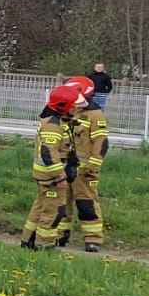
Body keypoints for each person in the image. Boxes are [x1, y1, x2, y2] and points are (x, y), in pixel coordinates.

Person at [21, 85, 80, 251]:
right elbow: (49, 152)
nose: (76, 108)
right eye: (73, 105)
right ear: (64, 106)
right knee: (54, 211)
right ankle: (45, 245)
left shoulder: (57, 121)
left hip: (45, 177)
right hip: (51, 178)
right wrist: (59, 176)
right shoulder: (53, 126)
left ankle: (28, 240)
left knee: (40, 208)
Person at [63, 75, 109, 253]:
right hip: (64, 167)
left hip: (84, 171)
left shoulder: (95, 115)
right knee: (61, 203)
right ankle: (61, 234)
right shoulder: (66, 112)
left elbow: (101, 142)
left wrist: (94, 165)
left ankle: (93, 239)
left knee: (87, 204)